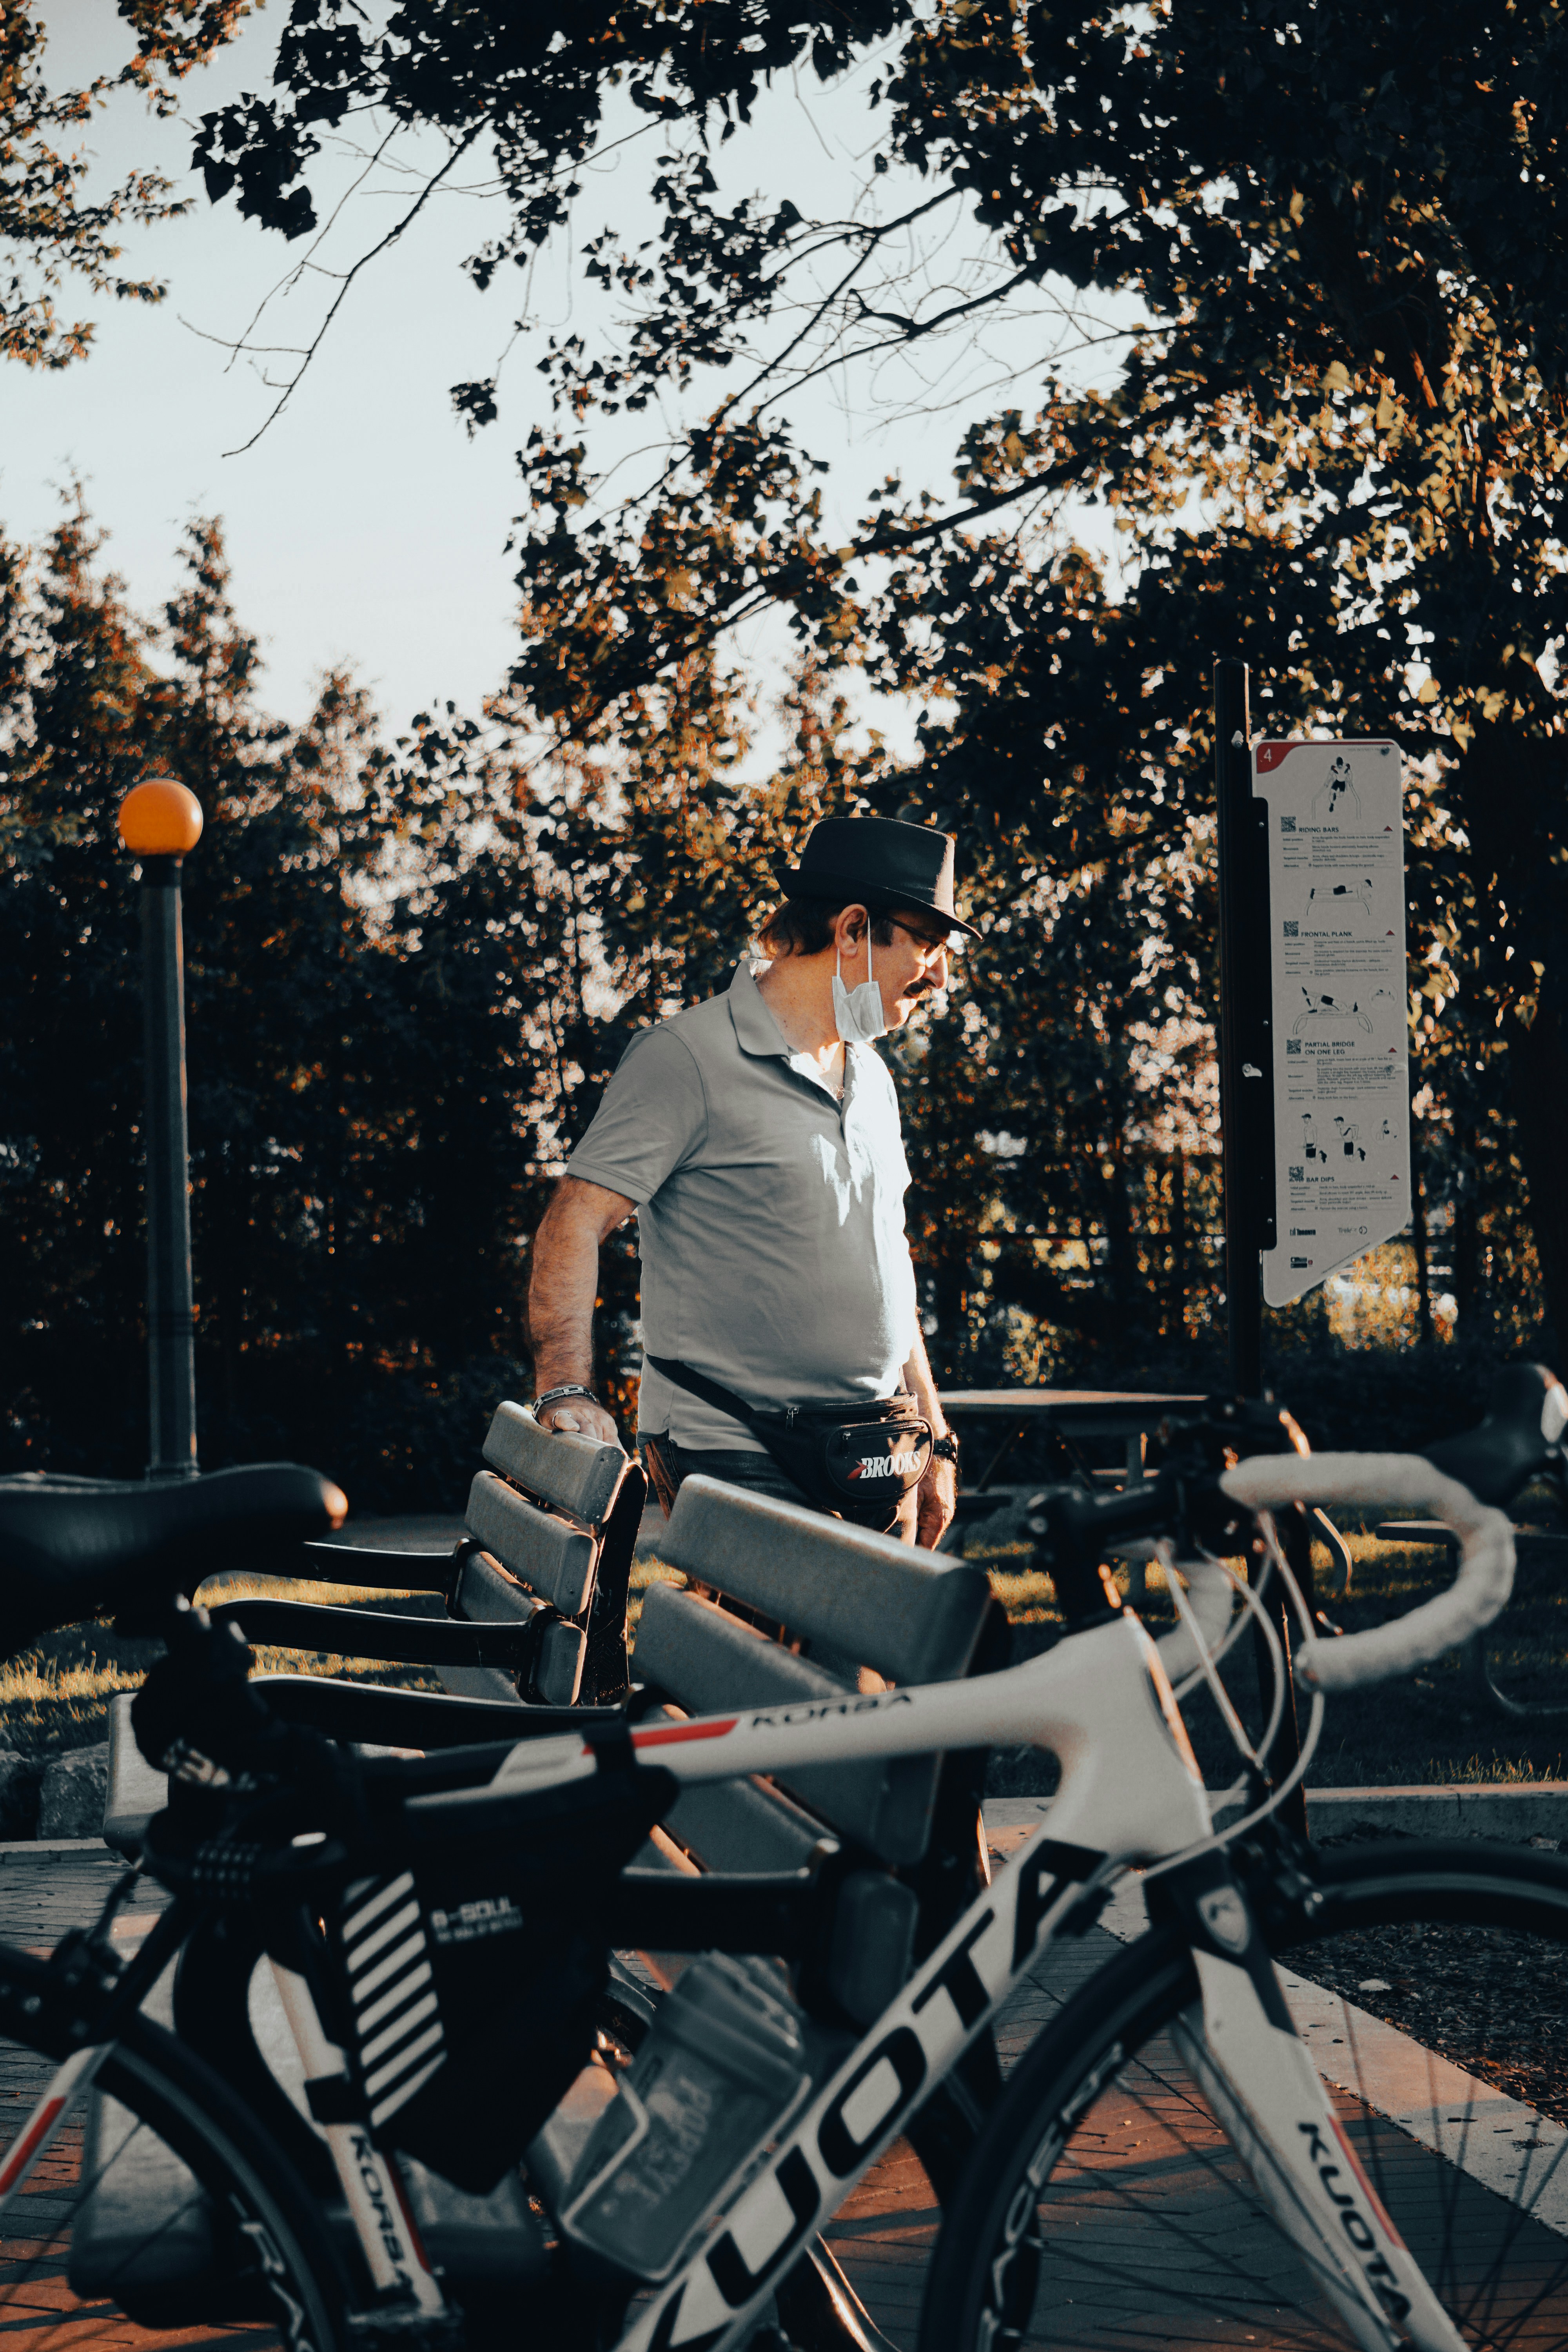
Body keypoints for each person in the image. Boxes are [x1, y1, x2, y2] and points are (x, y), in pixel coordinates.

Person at [525, 816, 976, 1548]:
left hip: (877, 1446)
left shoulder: (875, 1078)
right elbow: (573, 1221)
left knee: (870, 1663)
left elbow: (887, 1264)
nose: (941, 976)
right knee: (764, 1661)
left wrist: (935, 1433)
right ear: (854, 930)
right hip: (732, 1443)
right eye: (928, 946)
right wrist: (568, 1388)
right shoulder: (684, 1058)